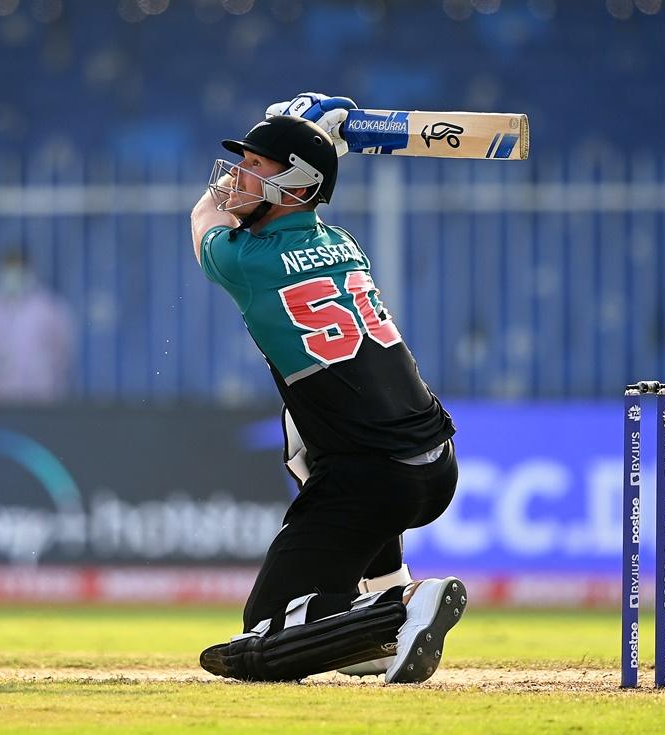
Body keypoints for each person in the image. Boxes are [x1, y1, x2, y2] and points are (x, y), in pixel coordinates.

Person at [190, 93, 465, 684]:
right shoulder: (344, 242)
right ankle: (380, 626)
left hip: (371, 480)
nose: (235, 177)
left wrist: (307, 136)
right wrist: (305, 140)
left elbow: (201, 222)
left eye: (256, 166)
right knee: (304, 444)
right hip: (436, 462)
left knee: (262, 637)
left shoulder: (248, 261)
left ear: (297, 184)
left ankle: (397, 611)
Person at [0, 246, 75, 403]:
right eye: (8, 268)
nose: (12, 275)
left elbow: (63, 353)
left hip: (40, 399)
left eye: (18, 269)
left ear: (29, 271)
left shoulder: (50, 308)